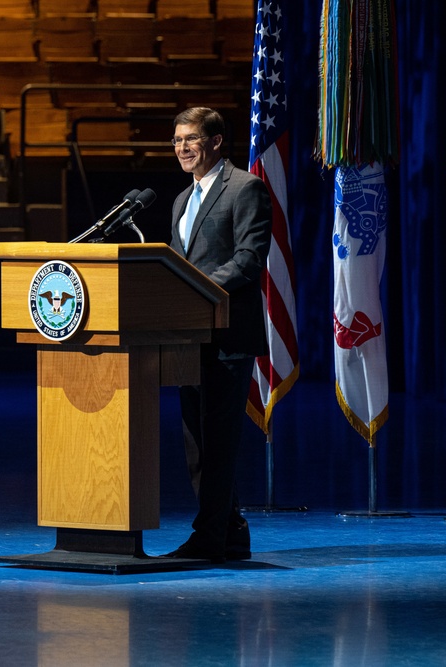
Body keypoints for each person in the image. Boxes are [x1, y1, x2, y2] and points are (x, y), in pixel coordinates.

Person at [162, 107, 272, 563]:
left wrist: (197, 290)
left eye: (191, 139)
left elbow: (248, 259)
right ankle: (231, 531)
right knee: (197, 440)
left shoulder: (245, 188)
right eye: (177, 141)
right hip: (190, 337)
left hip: (227, 334)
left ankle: (208, 538)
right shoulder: (180, 202)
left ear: (215, 142)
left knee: (219, 439)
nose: (183, 148)